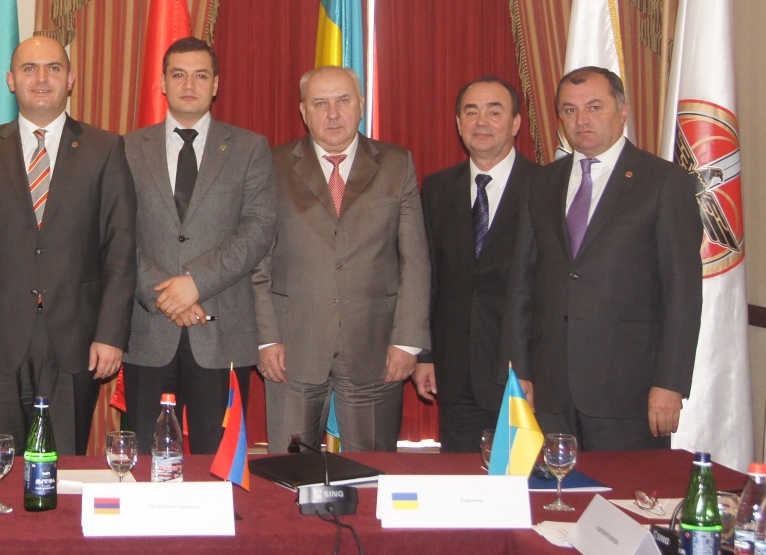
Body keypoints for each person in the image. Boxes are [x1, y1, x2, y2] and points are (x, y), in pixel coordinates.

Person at [0, 35, 136, 454]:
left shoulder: (105, 149)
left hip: (77, 339)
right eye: (29, 69)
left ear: (71, 79)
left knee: (63, 466)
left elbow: (120, 249)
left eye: (54, 68)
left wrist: (111, 334)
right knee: (2, 465)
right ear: (11, 80)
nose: (42, 78)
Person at [504, 66, 701, 449]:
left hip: (629, 391)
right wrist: (519, 371)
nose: (582, 120)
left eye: (594, 107)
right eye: (570, 110)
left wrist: (670, 382)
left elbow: (683, 292)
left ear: (623, 110)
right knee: (551, 488)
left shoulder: (664, 182)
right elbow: (521, 285)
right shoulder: (540, 183)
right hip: (550, 389)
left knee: (624, 488)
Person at [255, 65, 430, 453]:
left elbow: (415, 259)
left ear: (361, 105)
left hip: (375, 349)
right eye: (320, 103)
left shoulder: (397, 164)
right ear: (303, 111)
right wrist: (266, 338)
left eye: (343, 101)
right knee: (289, 471)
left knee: (370, 473)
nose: (333, 114)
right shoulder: (271, 164)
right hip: (293, 350)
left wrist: (408, 342)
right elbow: (258, 261)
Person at [122, 37, 275, 454]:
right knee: (146, 463)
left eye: (200, 75)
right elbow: (117, 235)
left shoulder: (249, 148)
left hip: (222, 333)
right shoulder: (128, 148)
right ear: (162, 83)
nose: (189, 85)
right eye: (178, 75)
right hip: (148, 333)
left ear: (216, 84)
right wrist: (166, 295)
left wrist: (195, 284)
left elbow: (259, 229)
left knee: (219, 465)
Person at [412, 76, 534, 452]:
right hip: (456, 375)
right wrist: (425, 355)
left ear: (515, 123)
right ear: (458, 123)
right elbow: (427, 278)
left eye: (494, 112)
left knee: (526, 481)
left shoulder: (546, 187)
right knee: (462, 482)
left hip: (523, 375)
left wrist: (534, 369)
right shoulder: (437, 189)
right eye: (471, 111)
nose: (481, 121)